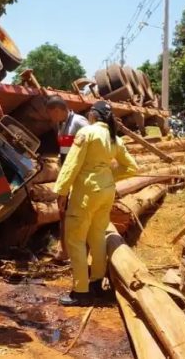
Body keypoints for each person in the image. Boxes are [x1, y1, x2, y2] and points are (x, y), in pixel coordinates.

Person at [52, 101, 138, 306]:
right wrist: (108, 176)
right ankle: (96, 284)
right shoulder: (114, 138)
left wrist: (61, 191)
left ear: (92, 115)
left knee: (76, 241)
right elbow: (132, 167)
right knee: (98, 237)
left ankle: (80, 292)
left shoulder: (86, 133)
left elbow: (72, 164)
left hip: (85, 194)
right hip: (106, 193)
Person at [46, 95, 89, 164]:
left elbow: (92, 143)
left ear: (57, 111)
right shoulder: (60, 124)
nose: (51, 118)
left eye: (51, 115)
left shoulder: (78, 121)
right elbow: (65, 147)